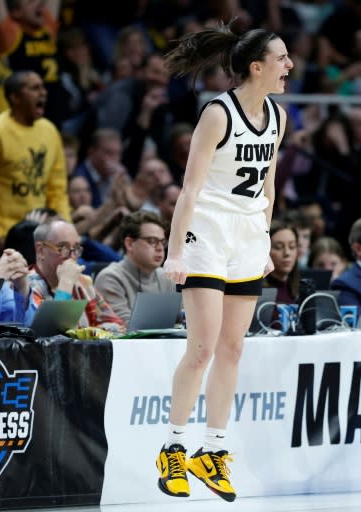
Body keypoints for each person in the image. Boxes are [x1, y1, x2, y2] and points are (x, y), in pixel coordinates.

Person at [155, 23, 290, 502]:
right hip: (207, 231)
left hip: (248, 235)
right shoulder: (217, 113)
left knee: (233, 349)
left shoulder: (278, 116)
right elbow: (189, 189)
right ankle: (172, 447)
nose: (288, 66)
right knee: (203, 347)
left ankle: (212, 451)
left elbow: (269, 182)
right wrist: (175, 253)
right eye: (281, 59)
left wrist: (265, 238)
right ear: (257, 67)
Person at [0, 71, 71, 257]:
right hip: (6, 239)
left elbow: (57, 189)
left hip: (42, 239)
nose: (43, 92)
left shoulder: (50, 131)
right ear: (15, 97)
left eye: (43, 87)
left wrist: (66, 230)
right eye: (34, 88)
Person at [26, 219, 124, 333]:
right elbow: (48, 335)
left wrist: (88, 333)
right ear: (41, 250)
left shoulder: (83, 282)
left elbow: (118, 326)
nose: (72, 257)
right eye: (63, 248)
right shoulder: (25, 287)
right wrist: (65, 285)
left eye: (76, 248)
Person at [94, 210, 175, 324]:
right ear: (129, 244)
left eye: (162, 242)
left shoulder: (167, 277)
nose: (160, 248)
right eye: (152, 241)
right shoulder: (110, 278)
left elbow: (183, 319)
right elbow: (123, 326)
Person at [262, 219, 299, 304]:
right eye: (278, 247)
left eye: (292, 246)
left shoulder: (302, 288)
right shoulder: (259, 292)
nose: (287, 253)